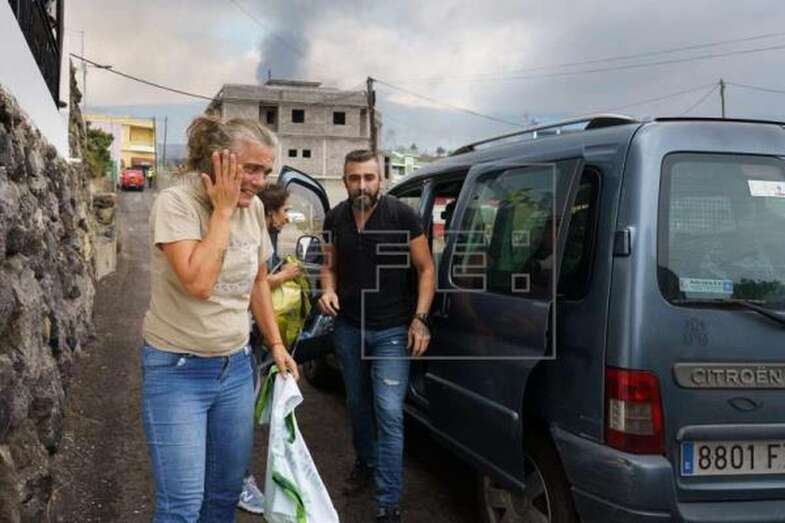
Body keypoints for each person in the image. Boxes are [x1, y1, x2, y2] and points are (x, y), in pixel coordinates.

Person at [141, 116, 299, 523]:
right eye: (250, 168)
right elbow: (198, 281)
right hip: (177, 370)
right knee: (182, 506)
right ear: (218, 161)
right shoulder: (176, 203)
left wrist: (277, 344)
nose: (260, 180)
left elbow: (259, 281)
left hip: (235, 370)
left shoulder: (256, 207)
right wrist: (224, 212)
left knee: (224, 495)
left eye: (266, 170)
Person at [319, 149, 435, 523]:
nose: (362, 185)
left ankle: (388, 503)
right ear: (345, 180)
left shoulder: (402, 215)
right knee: (357, 404)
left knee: (388, 411)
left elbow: (426, 268)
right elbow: (328, 266)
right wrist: (327, 290)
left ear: (380, 179)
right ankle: (366, 464)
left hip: (391, 331)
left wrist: (419, 320)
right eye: (355, 178)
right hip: (349, 328)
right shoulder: (335, 217)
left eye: (369, 177)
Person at [237, 182, 303, 515]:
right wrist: (286, 275)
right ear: (269, 212)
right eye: (284, 211)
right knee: (240, 416)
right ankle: (239, 480)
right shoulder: (248, 235)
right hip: (241, 339)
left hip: (254, 338)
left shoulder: (266, 236)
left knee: (243, 413)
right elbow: (253, 284)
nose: (287, 218)